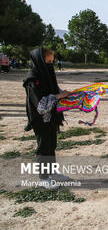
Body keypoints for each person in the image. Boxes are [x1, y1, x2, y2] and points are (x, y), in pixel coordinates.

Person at [23, 47, 72, 189]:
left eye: (52, 61)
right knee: (43, 147)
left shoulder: (46, 75)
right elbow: (41, 105)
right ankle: (43, 178)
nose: (51, 64)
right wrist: (59, 96)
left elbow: (55, 90)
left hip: (51, 118)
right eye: (48, 61)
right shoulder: (32, 79)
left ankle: (52, 172)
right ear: (39, 61)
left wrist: (68, 95)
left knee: (51, 145)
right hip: (40, 119)